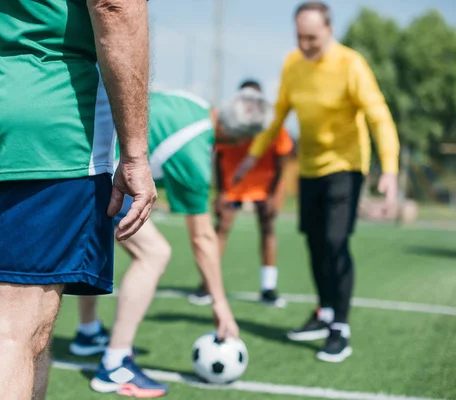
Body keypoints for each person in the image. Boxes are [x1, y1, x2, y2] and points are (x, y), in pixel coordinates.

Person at [0, 1, 157, 399]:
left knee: (23, 319)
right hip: (54, 130)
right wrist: (134, 153)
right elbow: (115, 6)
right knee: (13, 328)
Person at [234, 1, 399, 363]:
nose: (305, 44)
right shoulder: (293, 63)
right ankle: (324, 312)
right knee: (314, 243)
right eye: (300, 37)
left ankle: (340, 326)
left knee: (335, 242)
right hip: (309, 168)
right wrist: (251, 156)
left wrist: (389, 168)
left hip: (346, 165)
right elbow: (278, 116)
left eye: (312, 37)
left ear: (329, 30)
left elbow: (379, 116)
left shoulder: (350, 65)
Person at [72, 89, 251, 398]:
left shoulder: (193, 102)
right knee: (154, 253)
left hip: (81, 156)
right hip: (101, 173)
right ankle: (115, 365)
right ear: (235, 140)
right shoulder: (195, 152)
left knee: (103, 238)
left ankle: (88, 333)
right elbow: (203, 237)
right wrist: (220, 304)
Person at [188, 80, 293, 308]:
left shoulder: (273, 124)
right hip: (233, 184)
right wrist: (221, 192)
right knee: (221, 227)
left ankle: (268, 288)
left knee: (267, 227)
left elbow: (283, 155)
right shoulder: (230, 120)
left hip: (264, 184)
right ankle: (208, 284)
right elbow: (219, 154)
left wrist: (274, 193)